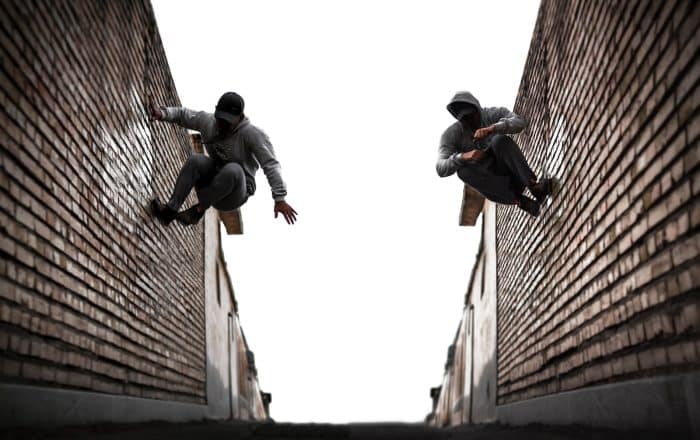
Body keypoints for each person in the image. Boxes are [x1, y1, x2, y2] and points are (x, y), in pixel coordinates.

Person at [148, 91, 298, 226]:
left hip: (234, 193)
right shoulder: (209, 122)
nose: (223, 125)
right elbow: (184, 115)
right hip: (212, 182)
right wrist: (162, 113)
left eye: (228, 122)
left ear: (239, 118)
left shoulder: (252, 134)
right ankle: (169, 211)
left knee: (234, 169)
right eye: (220, 119)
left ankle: (197, 211)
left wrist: (280, 198)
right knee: (196, 160)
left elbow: (270, 164)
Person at [436, 91, 559, 217]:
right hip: (500, 187)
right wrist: (462, 157)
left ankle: (535, 187)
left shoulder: (491, 114)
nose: (470, 122)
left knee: (498, 140)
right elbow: (440, 168)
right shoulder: (452, 134)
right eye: (464, 119)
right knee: (462, 172)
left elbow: (519, 122)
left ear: (478, 109)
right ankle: (520, 200)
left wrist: (493, 128)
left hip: (515, 173)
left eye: (472, 116)